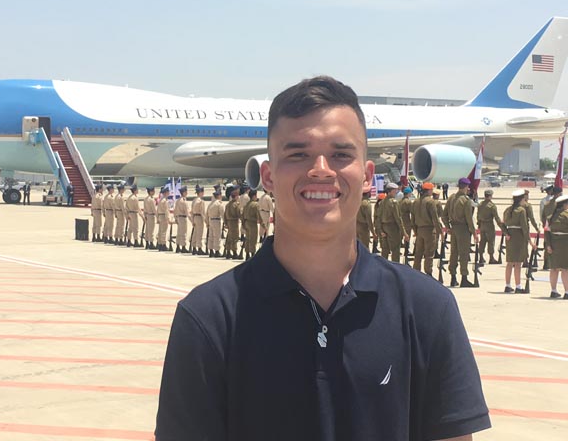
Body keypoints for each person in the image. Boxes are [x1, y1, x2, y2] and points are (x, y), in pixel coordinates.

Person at [155, 76, 490, 441]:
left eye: (341, 155)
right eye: (297, 154)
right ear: (267, 175)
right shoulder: (209, 318)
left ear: (366, 176)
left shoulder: (425, 309)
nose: (320, 168)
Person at [442, 178, 479, 288]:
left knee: (454, 253)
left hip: (453, 229)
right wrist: (474, 233)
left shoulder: (451, 198)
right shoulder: (466, 200)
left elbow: (444, 216)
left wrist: (448, 227)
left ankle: (453, 277)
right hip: (463, 229)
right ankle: (464, 277)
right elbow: (469, 219)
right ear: (466, 187)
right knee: (464, 253)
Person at [502, 190, 534, 293]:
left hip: (510, 237)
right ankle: (518, 286)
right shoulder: (521, 210)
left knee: (510, 262)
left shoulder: (508, 210)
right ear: (521, 199)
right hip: (519, 237)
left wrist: (506, 233)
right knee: (518, 263)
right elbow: (524, 227)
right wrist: (530, 241)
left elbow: (502, 223)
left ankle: (507, 285)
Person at [410, 182, 441, 277]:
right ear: (429, 190)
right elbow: (435, 218)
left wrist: (415, 231)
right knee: (429, 253)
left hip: (419, 230)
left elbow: (413, 219)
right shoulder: (430, 202)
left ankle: (416, 272)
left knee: (418, 253)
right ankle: (428, 273)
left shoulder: (416, 202)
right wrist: (439, 231)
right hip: (429, 230)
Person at [376, 182, 408, 262]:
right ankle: (395, 268)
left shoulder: (382, 202)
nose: (396, 192)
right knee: (395, 250)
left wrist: (380, 230)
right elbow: (398, 219)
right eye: (394, 190)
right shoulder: (394, 202)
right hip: (393, 229)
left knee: (385, 251)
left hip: (384, 227)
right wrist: (404, 233)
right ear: (389, 191)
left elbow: (378, 218)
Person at [545, 194, 568, 299]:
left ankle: (553, 291)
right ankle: (567, 292)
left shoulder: (550, 217)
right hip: (565, 244)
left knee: (554, 269)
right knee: (565, 269)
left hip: (553, 244)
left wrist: (548, 245)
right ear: (565, 204)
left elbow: (546, 232)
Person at [476, 189, 503, 265]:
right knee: (491, 241)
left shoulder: (480, 205)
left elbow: (478, 215)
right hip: (489, 225)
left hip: (482, 225)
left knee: (482, 241)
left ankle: (480, 257)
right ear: (490, 196)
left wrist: (479, 225)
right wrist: (502, 227)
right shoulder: (492, 206)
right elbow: (496, 218)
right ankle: (491, 258)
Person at [541, 186, 563, 270]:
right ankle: (558, 264)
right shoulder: (559, 204)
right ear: (558, 194)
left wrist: (545, 225)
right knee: (558, 246)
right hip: (558, 227)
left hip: (548, 227)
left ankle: (546, 263)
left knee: (547, 244)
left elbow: (543, 216)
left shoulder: (547, 203)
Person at [242, 189, 264, 260]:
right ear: (254, 196)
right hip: (252, 224)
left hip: (246, 223)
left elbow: (242, 215)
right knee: (253, 239)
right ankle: (253, 254)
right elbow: (258, 216)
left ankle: (247, 255)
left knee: (248, 239)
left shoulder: (247, 205)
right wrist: (263, 225)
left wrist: (243, 224)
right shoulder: (255, 204)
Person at [223, 185, 242, 259]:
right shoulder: (236, 204)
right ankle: (234, 252)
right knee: (234, 238)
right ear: (236, 196)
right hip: (234, 222)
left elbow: (225, 215)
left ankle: (228, 252)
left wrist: (226, 223)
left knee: (229, 237)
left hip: (229, 222)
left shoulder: (228, 205)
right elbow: (239, 214)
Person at [206, 189, 225, 257]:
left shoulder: (210, 204)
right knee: (217, 236)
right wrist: (225, 222)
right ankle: (217, 251)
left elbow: (206, 214)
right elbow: (222, 213)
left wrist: (207, 223)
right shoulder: (219, 203)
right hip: (217, 221)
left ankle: (211, 251)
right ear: (219, 196)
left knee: (211, 236)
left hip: (211, 221)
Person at [191, 185, 207, 255]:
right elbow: (202, 212)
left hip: (195, 217)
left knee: (195, 233)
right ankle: (199, 248)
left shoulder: (194, 200)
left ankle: (194, 248)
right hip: (199, 218)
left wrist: (192, 220)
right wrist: (206, 221)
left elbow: (191, 211)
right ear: (200, 193)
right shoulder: (201, 201)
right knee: (199, 233)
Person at [174, 186, 190, 253]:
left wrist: (176, 218)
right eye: (186, 192)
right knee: (183, 233)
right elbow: (187, 212)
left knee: (179, 233)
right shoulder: (184, 201)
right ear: (183, 193)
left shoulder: (178, 201)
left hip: (179, 218)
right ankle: (183, 247)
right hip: (183, 218)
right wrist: (191, 220)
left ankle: (178, 246)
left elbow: (175, 210)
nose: (187, 193)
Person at [156, 187, 170, 251]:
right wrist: (168, 219)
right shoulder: (165, 201)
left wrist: (157, 217)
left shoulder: (160, 200)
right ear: (166, 193)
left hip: (160, 216)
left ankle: (160, 244)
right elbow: (166, 211)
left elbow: (157, 210)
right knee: (164, 231)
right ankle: (163, 245)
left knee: (161, 231)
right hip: (164, 217)